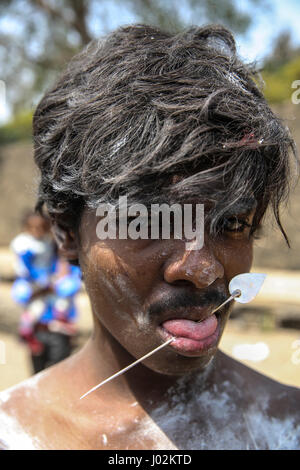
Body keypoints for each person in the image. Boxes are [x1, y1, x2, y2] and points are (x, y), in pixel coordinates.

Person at [0, 24, 299, 450]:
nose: (201, 269)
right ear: (67, 232)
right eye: (148, 222)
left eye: (231, 224)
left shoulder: (288, 427)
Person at [10, 211, 81, 373]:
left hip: (59, 330)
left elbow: (70, 287)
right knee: (38, 372)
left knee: (59, 370)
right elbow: (21, 293)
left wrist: (52, 287)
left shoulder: (66, 262)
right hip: (38, 328)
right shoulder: (30, 254)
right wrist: (41, 289)